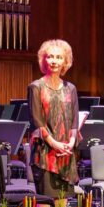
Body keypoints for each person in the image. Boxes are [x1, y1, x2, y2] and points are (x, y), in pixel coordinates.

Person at [28, 39, 79, 198]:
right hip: (45, 154)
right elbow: (37, 121)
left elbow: (75, 120)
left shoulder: (70, 88)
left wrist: (70, 144)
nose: (54, 61)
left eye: (59, 57)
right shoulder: (36, 87)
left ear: (66, 61)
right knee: (45, 206)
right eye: (50, 57)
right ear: (44, 60)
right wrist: (54, 144)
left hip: (65, 154)